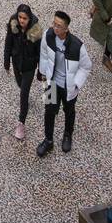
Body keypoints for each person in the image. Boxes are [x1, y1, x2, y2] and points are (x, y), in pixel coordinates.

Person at [36, 10, 92, 156]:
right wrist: (42, 73)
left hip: (68, 88)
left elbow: (86, 66)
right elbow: (43, 54)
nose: (55, 28)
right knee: (49, 111)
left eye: (59, 26)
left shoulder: (77, 45)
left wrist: (76, 84)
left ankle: (67, 135)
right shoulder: (47, 36)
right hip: (51, 84)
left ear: (66, 28)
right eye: (54, 23)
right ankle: (48, 140)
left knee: (69, 111)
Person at [4, 4, 42, 141]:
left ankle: (21, 122)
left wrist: (40, 71)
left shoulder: (36, 30)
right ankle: (24, 101)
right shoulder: (13, 23)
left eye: (24, 18)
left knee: (23, 93)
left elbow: (40, 52)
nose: (21, 20)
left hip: (29, 66)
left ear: (29, 18)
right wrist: (6, 61)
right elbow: (8, 42)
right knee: (20, 85)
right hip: (16, 62)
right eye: (20, 17)